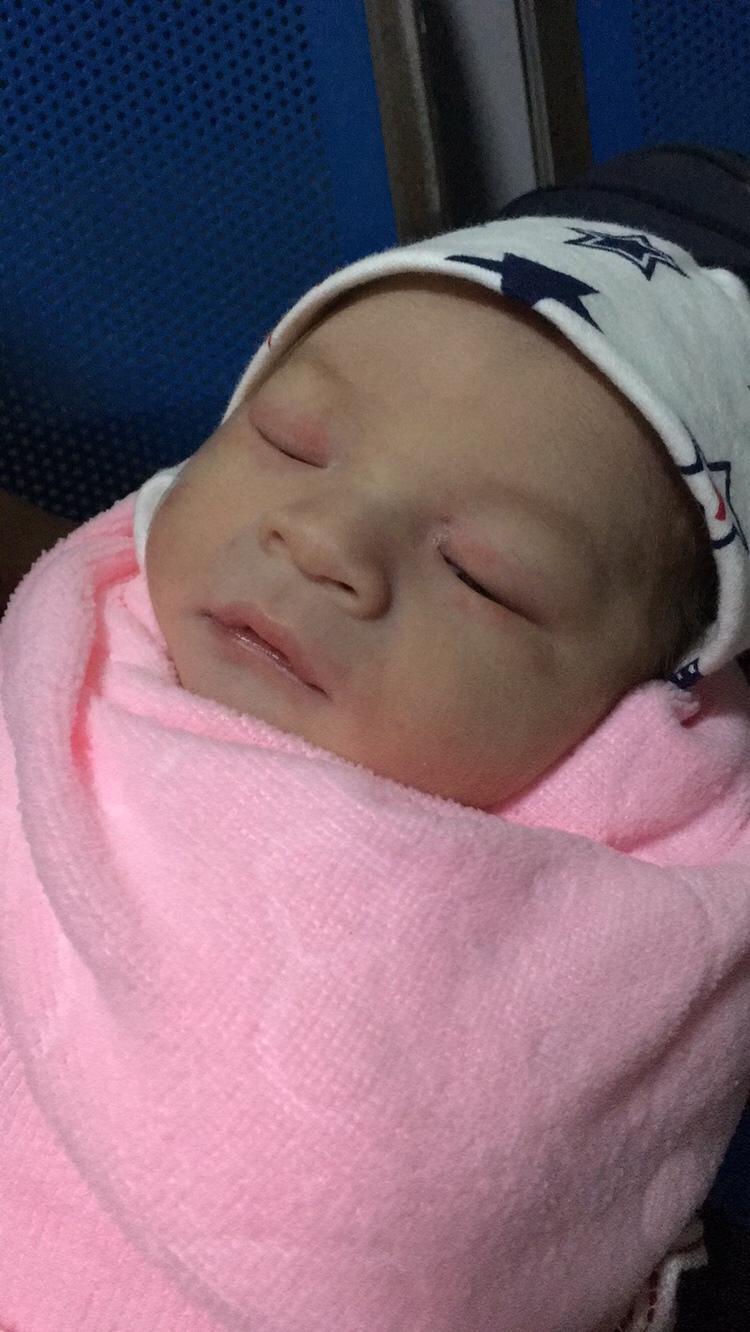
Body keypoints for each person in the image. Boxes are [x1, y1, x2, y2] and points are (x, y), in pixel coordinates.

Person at [2, 143, 750, 1332]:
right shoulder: (78, 643)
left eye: (484, 575)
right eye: (290, 441)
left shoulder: (633, 916)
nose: (321, 540)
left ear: (637, 703)